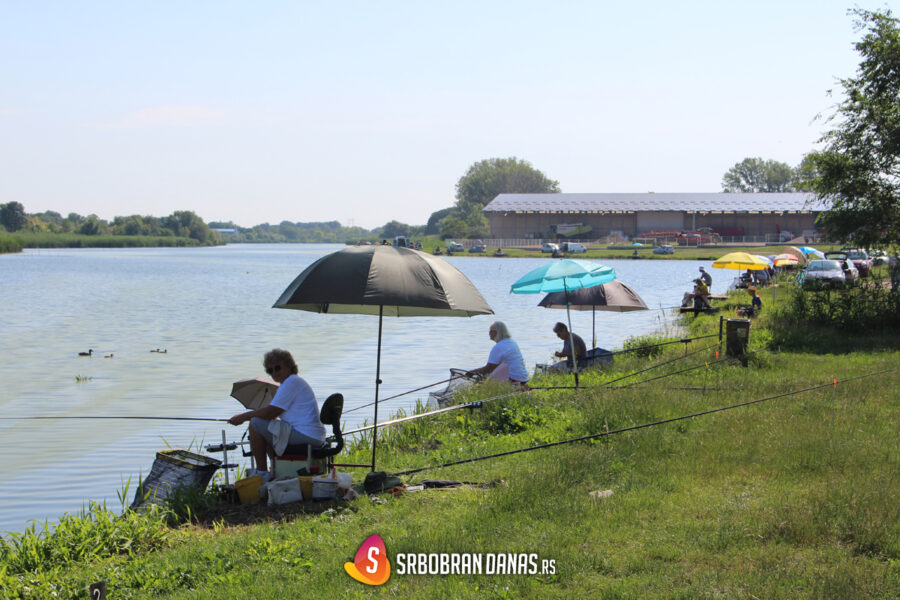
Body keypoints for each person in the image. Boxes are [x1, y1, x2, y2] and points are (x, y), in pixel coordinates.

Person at [228, 349, 326, 481]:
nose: (274, 373)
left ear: (289, 365)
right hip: (312, 434)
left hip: (306, 434)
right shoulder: (293, 383)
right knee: (266, 427)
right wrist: (263, 416)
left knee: (255, 423)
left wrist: (244, 416)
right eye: (270, 371)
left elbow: (270, 412)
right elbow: (273, 414)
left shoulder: (291, 382)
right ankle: (274, 469)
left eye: (278, 368)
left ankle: (262, 472)